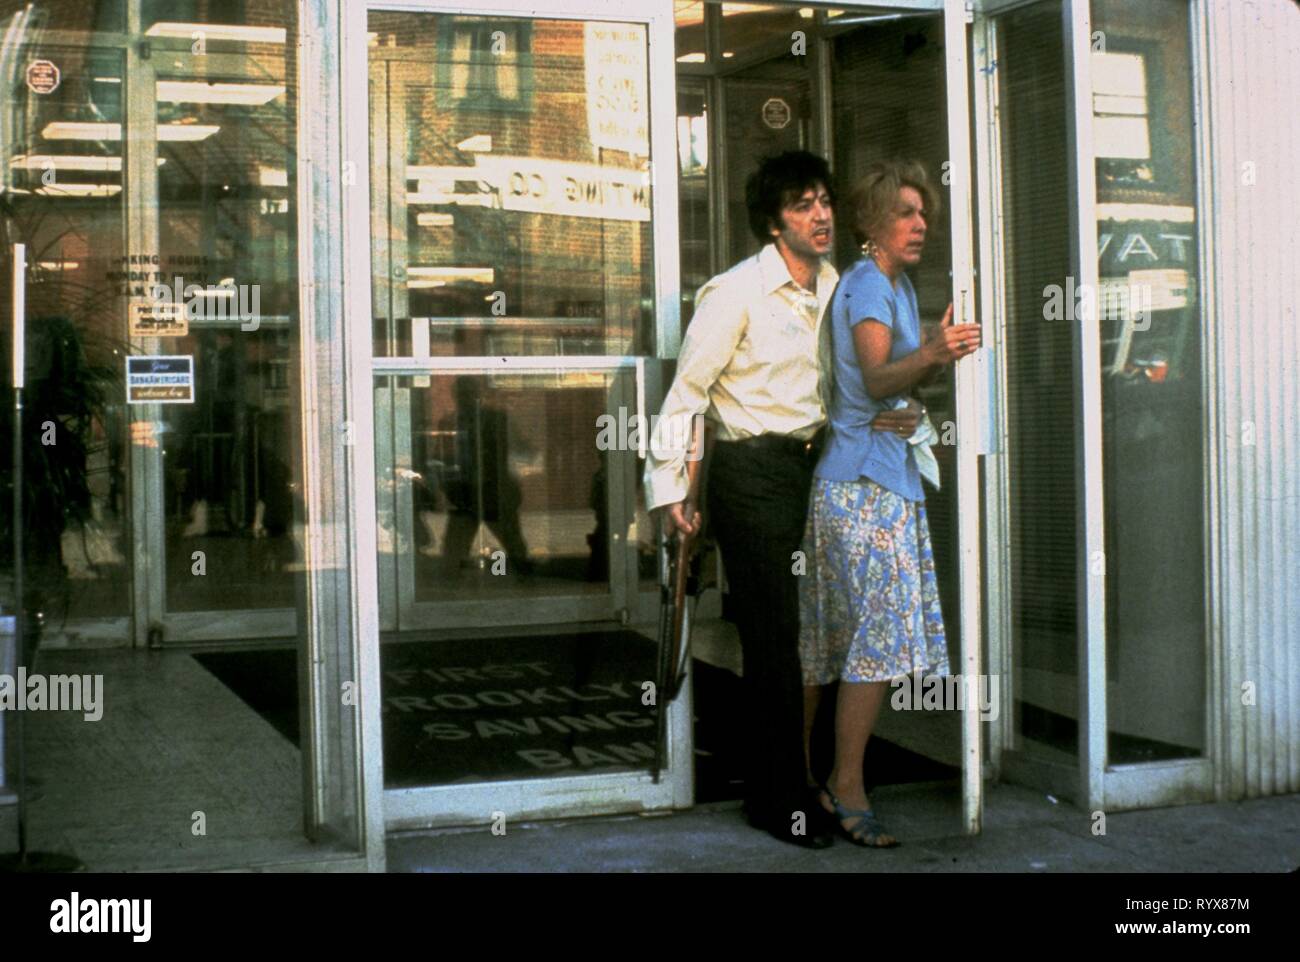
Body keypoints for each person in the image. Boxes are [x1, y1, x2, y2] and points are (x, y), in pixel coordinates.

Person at [644, 150, 840, 848]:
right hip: (750, 474)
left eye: (823, 200)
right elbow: (686, 395)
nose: (819, 215)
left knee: (806, 636)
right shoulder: (735, 293)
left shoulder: (835, 286)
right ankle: (780, 800)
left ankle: (810, 783)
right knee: (775, 640)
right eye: (801, 204)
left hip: (811, 470)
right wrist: (670, 491)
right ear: (772, 221)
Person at [800, 159, 981, 847]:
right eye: (906, 212)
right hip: (861, 490)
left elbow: (892, 390)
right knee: (866, 647)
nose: (921, 224)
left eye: (924, 213)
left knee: (839, 643)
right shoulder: (870, 285)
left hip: (880, 481)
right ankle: (845, 785)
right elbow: (877, 377)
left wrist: (918, 392)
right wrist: (933, 353)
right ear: (873, 221)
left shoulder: (895, 287)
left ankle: (812, 779)